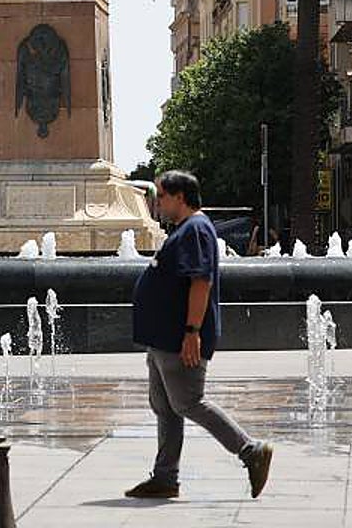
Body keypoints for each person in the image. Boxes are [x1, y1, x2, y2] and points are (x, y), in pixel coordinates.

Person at [126, 170, 273, 500]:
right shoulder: (185, 229)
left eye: (162, 196)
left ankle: (251, 450)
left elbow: (201, 281)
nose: (157, 203)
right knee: (166, 407)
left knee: (189, 402)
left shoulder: (195, 229)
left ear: (180, 197)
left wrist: (192, 331)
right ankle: (165, 477)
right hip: (163, 338)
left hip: (179, 338)